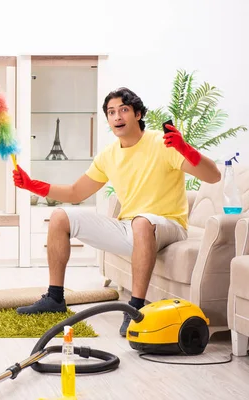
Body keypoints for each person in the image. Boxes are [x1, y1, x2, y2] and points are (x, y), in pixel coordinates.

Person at [13, 87, 222, 336]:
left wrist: (185, 148)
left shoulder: (163, 143)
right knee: (60, 217)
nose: (117, 117)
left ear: (138, 114)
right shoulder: (108, 155)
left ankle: (135, 309)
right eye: (111, 112)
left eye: (123, 110)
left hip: (168, 226)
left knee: (142, 222)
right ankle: (55, 298)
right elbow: (75, 193)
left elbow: (213, 176)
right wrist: (32, 185)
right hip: (130, 227)